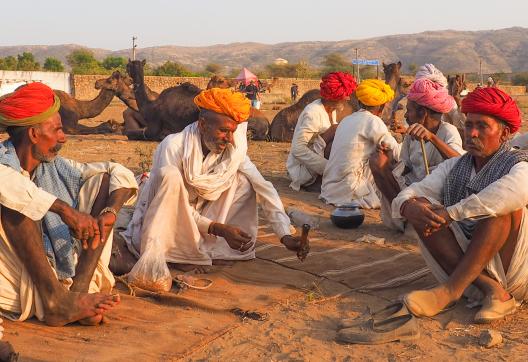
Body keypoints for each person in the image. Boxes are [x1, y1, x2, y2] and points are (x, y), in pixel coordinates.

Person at [122, 88, 306, 272]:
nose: (230, 139)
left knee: (243, 181)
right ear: (202, 125)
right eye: (224, 131)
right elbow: (173, 204)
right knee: (169, 176)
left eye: (233, 132)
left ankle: (215, 250)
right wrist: (218, 228)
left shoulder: (231, 152)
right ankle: (174, 253)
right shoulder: (173, 146)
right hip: (166, 215)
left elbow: (263, 187)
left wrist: (284, 234)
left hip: (202, 217)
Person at [0, 83, 138, 326]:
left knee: (101, 180)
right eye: (57, 130)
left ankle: (78, 289)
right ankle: (55, 301)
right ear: (33, 134)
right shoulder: (4, 162)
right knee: (18, 204)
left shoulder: (54, 166)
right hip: (14, 278)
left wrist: (110, 211)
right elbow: (14, 187)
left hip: (56, 271)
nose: (63, 138)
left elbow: (116, 172)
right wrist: (65, 211)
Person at [392, 87, 528, 323]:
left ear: (505, 133)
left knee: (502, 209)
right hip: (465, 271)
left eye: (482, 126)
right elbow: (407, 195)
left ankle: (450, 291)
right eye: (468, 125)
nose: (472, 133)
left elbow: (511, 193)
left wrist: (451, 213)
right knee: (422, 207)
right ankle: (492, 291)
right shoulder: (454, 166)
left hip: (513, 274)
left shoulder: (519, 165)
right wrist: (409, 207)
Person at [370, 78, 464, 230]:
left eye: (410, 110)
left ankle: (417, 222)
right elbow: (405, 166)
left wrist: (432, 138)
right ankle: (402, 219)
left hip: (433, 195)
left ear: (423, 113)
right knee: (377, 162)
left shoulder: (447, 131)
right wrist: (389, 163)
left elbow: (461, 163)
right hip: (411, 191)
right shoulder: (411, 134)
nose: (406, 115)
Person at [320, 79, 397, 208]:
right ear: (382, 107)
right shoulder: (373, 121)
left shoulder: (346, 120)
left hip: (329, 190)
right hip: (349, 191)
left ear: (360, 102)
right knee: (386, 160)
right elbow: (396, 152)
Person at [287, 72, 357, 192]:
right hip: (302, 170)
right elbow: (297, 149)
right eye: (344, 97)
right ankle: (320, 181)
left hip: (318, 158)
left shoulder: (332, 110)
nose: (347, 100)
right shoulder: (313, 113)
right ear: (334, 98)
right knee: (335, 131)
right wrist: (329, 168)